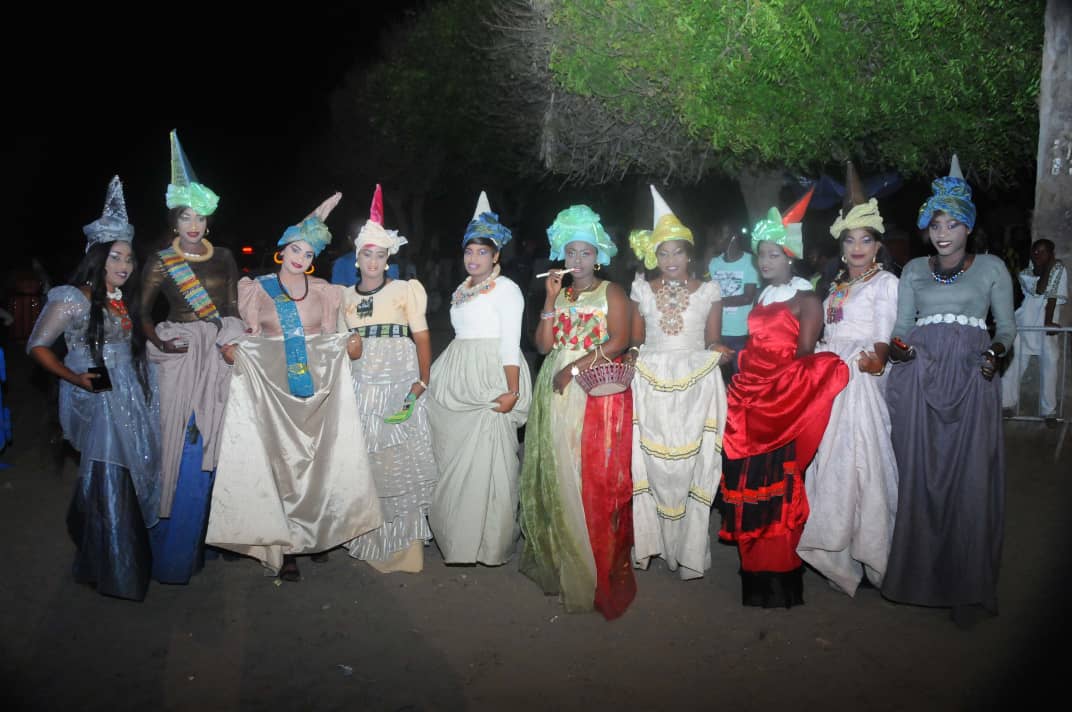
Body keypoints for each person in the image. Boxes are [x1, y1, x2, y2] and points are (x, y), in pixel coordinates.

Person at [206, 193, 382, 582]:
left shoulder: (324, 291)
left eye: (308, 253)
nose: (300, 258)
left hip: (316, 391)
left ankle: (317, 535)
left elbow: (333, 337)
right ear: (282, 250)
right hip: (274, 393)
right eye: (296, 249)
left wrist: (351, 343)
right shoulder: (257, 289)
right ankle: (286, 547)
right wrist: (234, 349)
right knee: (282, 465)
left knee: (317, 464)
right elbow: (250, 335)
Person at [883, 155, 1015, 628]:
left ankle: (967, 586)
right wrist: (898, 351)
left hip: (972, 379)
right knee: (918, 476)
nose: (943, 233)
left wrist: (994, 354)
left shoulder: (992, 267)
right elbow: (902, 328)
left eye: (953, 224)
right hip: (921, 378)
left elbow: (1007, 328)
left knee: (970, 480)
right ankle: (915, 577)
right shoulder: (914, 270)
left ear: (968, 227)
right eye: (936, 224)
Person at [714, 187, 849, 608]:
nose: (765, 262)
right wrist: (742, 363)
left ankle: (780, 576)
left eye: (773, 254)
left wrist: (777, 395)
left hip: (779, 402)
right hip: (749, 397)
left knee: (778, 485)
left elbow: (804, 357)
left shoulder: (807, 299)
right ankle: (754, 573)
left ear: (790, 256)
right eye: (762, 255)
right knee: (749, 481)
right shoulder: (762, 295)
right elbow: (756, 343)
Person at [28, 176, 161, 600]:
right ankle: (116, 568)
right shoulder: (73, 297)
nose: (125, 265)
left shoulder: (120, 298)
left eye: (129, 258)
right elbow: (38, 346)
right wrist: (77, 379)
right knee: (110, 472)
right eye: (116, 257)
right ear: (97, 257)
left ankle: (97, 551)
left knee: (127, 468)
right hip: (97, 391)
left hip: (128, 390)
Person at [519, 204, 636, 620]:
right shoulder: (561, 293)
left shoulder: (612, 292)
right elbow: (543, 345)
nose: (578, 259)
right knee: (559, 469)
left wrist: (574, 368)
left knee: (589, 473)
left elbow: (620, 340)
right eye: (571, 252)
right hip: (556, 388)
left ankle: (592, 565)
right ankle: (565, 560)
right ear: (561, 255)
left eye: (586, 252)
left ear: (598, 255)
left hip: (592, 387)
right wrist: (550, 299)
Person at [140, 130, 245, 584]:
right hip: (179, 354)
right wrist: (161, 344)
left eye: (200, 216)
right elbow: (142, 313)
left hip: (219, 352)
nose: (194, 224)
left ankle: (210, 536)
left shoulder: (225, 257)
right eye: (186, 216)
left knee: (217, 442)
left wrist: (235, 342)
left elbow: (233, 308)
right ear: (175, 219)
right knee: (180, 443)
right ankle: (170, 546)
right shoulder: (161, 260)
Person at [796, 161, 900, 596]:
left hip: (858, 380)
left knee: (863, 463)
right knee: (829, 463)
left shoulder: (886, 283)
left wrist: (873, 361)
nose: (858, 247)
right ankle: (834, 552)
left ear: (878, 245)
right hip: (829, 379)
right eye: (850, 239)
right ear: (841, 245)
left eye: (866, 239)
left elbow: (883, 339)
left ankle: (870, 550)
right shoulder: (835, 285)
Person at [628, 186, 730, 581]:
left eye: (677, 252)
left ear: (690, 254)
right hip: (651, 380)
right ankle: (650, 544)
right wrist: (631, 357)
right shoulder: (641, 289)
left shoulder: (709, 291)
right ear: (654, 256)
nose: (671, 260)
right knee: (652, 463)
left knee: (690, 464)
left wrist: (719, 350)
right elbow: (636, 339)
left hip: (694, 384)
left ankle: (689, 552)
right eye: (663, 253)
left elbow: (712, 339)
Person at [426, 192, 531, 566]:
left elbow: (510, 343)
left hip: (491, 376)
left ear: (496, 255)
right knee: (451, 460)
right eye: (469, 251)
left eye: (482, 252)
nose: (474, 258)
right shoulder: (462, 289)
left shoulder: (507, 289)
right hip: (457, 375)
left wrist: (511, 390)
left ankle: (487, 543)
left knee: (490, 463)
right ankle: (456, 537)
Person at [339, 185, 439, 573]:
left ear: (388, 258)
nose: (374, 261)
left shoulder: (404, 290)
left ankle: (406, 550)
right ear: (357, 257)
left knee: (401, 460)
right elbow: (345, 348)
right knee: (369, 461)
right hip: (362, 386)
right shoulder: (344, 297)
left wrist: (422, 382)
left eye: (381, 255)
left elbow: (422, 337)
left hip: (400, 382)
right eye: (368, 254)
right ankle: (373, 541)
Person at [1002, 239, 1067, 418]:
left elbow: (1052, 297)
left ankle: (1049, 411)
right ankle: (1006, 403)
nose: (1038, 254)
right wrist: (1051, 266)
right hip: (1024, 326)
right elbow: (1040, 289)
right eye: (1035, 251)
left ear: (1051, 254)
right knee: (1013, 365)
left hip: (1045, 327)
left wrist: (1048, 322)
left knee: (1050, 366)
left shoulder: (1059, 270)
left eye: (1043, 251)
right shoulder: (1025, 274)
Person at [706, 222, 759, 377]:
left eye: (720, 235)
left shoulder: (750, 262)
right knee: (717, 378)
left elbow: (747, 297)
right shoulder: (714, 263)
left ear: (733, 236)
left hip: (741, 332)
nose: (716, 239)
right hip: (716, 331)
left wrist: (718, 302)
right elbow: (706, 293)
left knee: (740, 376)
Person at [332, 217, 399, 287]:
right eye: (358, 238)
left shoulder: (388, 262)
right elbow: (339, 290)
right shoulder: (342, 262)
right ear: (350, 239)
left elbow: (393, 289)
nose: (364, 242)